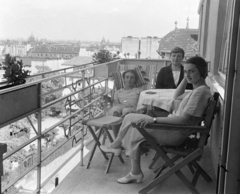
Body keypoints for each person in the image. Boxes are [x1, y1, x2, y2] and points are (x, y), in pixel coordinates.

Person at [100, 56, 211, 184]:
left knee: (135, 127)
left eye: (192, 71)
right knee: (131, 119)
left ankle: (130, 164)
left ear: (202, 71)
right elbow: (177, 95)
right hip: (175, 129)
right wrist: (186, 79)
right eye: (185, 71)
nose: (188, 75)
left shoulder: (199, 93)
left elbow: (182, 119)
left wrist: (154, 119)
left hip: (174, 133)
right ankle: (120, 151)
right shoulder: (199, 89)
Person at [107, 69, 142, 138]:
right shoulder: (118, 92)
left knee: (126, 111)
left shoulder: (139, 91)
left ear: (135, 80)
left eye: (132, 77)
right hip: (119, 112)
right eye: (127, 77)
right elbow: (116, 104)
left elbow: (141, 106)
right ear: (123, 79)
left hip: (132, 111)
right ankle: (117, 138)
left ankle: (120, 140)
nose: (129, 79)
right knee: (116, 110)